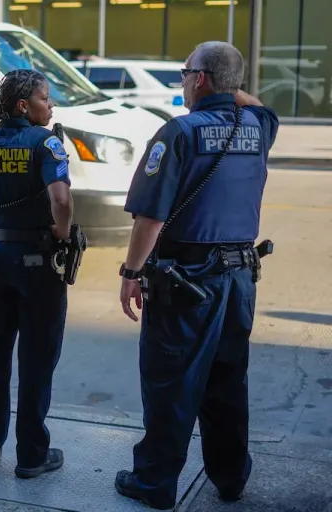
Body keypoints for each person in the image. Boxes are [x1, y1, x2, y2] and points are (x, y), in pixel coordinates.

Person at [114, 41, 280, 509]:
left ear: (199, 79)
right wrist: (231, 89)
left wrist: (131, 272)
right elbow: (258, 105)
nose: (183, 82)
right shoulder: (260, 127)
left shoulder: (179, 133)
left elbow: (149, 219)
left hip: (187, 280)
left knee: (171, 381)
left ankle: (154, 483)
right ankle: (230, 478)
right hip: (240, 278)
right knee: (227, 382)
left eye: (187, 73)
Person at [0, 69, 74, 479]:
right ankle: (30, 456)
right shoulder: (47, 143)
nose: (51, 105)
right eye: (46, 98)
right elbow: (60, 198)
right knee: (37, 358)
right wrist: (61, 233)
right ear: (24, 105)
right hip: (37, 263)